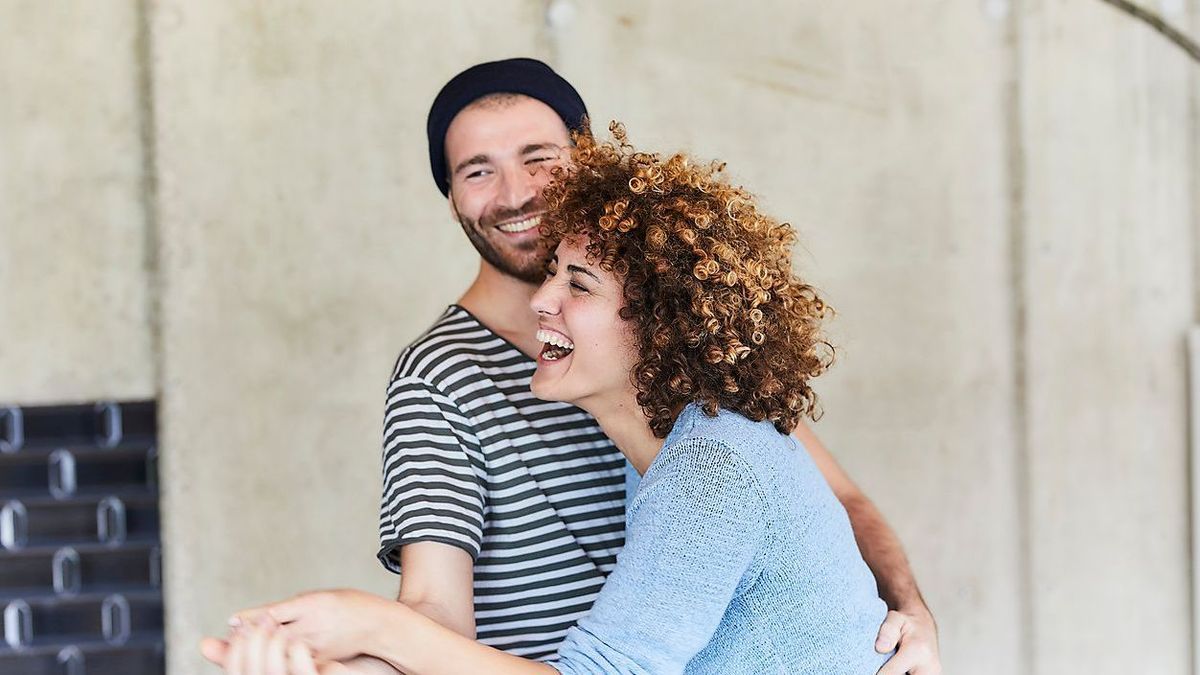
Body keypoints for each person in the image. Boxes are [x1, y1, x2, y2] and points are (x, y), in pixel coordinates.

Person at [202, 58, 939, 675]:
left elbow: (837, 501)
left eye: (538, 160)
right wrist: (333, 654)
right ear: (452, 196)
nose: (515, 193)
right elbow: (432, 615)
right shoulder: (439, 377)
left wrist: (908, 612)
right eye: (477, 170)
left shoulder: (703, 401)